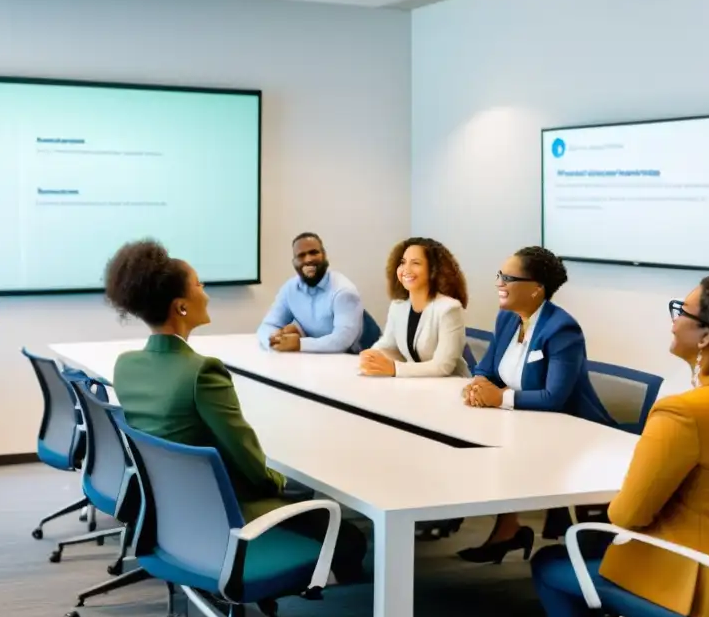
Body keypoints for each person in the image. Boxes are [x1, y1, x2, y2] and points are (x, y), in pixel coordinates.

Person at [531, 275, 709, 617]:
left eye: (681, 311)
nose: (673, 320)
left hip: (706, 590)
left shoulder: (684, 412)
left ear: (705, 336)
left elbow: (626, 515)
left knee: (551, 564)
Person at [105, 239, 367, 583]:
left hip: (173, 515)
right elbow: (249, 460)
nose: (207, 293)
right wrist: (282, 483)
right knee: (351, 539)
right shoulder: (201, 372)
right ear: (181, 307)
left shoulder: (126, 366)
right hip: (227, 514)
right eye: (200, 285)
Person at [457, 246, 612, 563]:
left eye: (508, 278)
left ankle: (588, 555)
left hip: (575, 431)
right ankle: (508, 528)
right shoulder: (507, 318)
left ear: (536, 289)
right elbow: (488, 366)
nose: (499, 283)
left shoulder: (561, 329)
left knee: (499, 452)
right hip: (525, 422)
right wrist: (478, 383)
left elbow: (554, 397)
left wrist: (500, 398)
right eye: (500, 275)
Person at [358, 237, 470, 378]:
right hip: (416, 384)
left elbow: (443, 366)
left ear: (433, 270)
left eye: (416, 263)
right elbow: (389, 345)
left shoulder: (449, 309)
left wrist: (394, 369)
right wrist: (372, 356)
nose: (406, 269)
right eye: (403, 262)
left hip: (450, 386)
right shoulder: (397, 306)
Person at [257, 232, 364, 353]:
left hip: (352, 358)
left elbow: (342, 340)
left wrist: (299, 344)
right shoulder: (290, 289)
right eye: (301, 255)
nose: (308, 259)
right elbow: (267, 325)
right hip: (313, 358)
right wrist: (273, 341)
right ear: (294, 262)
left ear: (324, 255)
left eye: (313, 252)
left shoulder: (344, 291)